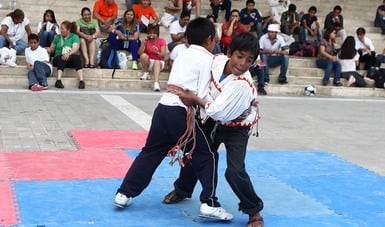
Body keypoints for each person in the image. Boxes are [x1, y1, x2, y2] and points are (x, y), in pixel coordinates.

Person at [114, 17, 233, 221]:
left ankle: (124, 193)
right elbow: (202, 93)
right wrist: (219, 108)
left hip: (163, 109)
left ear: (187, 38)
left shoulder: (181, 53)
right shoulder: (209, 59)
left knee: (150, 152)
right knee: (208, 156)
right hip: (182, 114)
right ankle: (209, 203)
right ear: (209, 40)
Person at [163, 32, 264, 227]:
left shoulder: (243, 84)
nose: (242, 64)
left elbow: (219, 112)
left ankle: (254, 211)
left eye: (249, 60)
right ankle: (183, 189)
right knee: (196, 154)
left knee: (234, 171)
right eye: (239, 56)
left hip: (236, 127)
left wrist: (194, 98)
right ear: (229, 52)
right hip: (212, 119)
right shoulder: (217, 61)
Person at [46, 21, 85, 89]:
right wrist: (44, 49)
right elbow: (51, 49)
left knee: (77, 58)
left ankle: (81, 80)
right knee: (62, 57)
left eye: (63, 29)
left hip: (71, 58)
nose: (61, 30)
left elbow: (75, 48)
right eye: (60, 28)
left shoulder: (74, 37)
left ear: (68, 30)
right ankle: (58, 80)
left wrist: (68, 54)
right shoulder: (57, 37)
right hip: (58, 58)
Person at [138, 24, 166, 91]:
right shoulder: (146, 41)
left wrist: (157, 52)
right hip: (149, 62)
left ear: (157, 34)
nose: (152, 35)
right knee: (143, 55)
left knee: (157, 61)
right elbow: (139, 53)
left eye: (154, 33)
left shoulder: (162, 41)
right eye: (150, 33)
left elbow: (163, 54)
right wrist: (143, 44)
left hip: (159, 63)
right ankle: (146, 72)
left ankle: (156, 83)